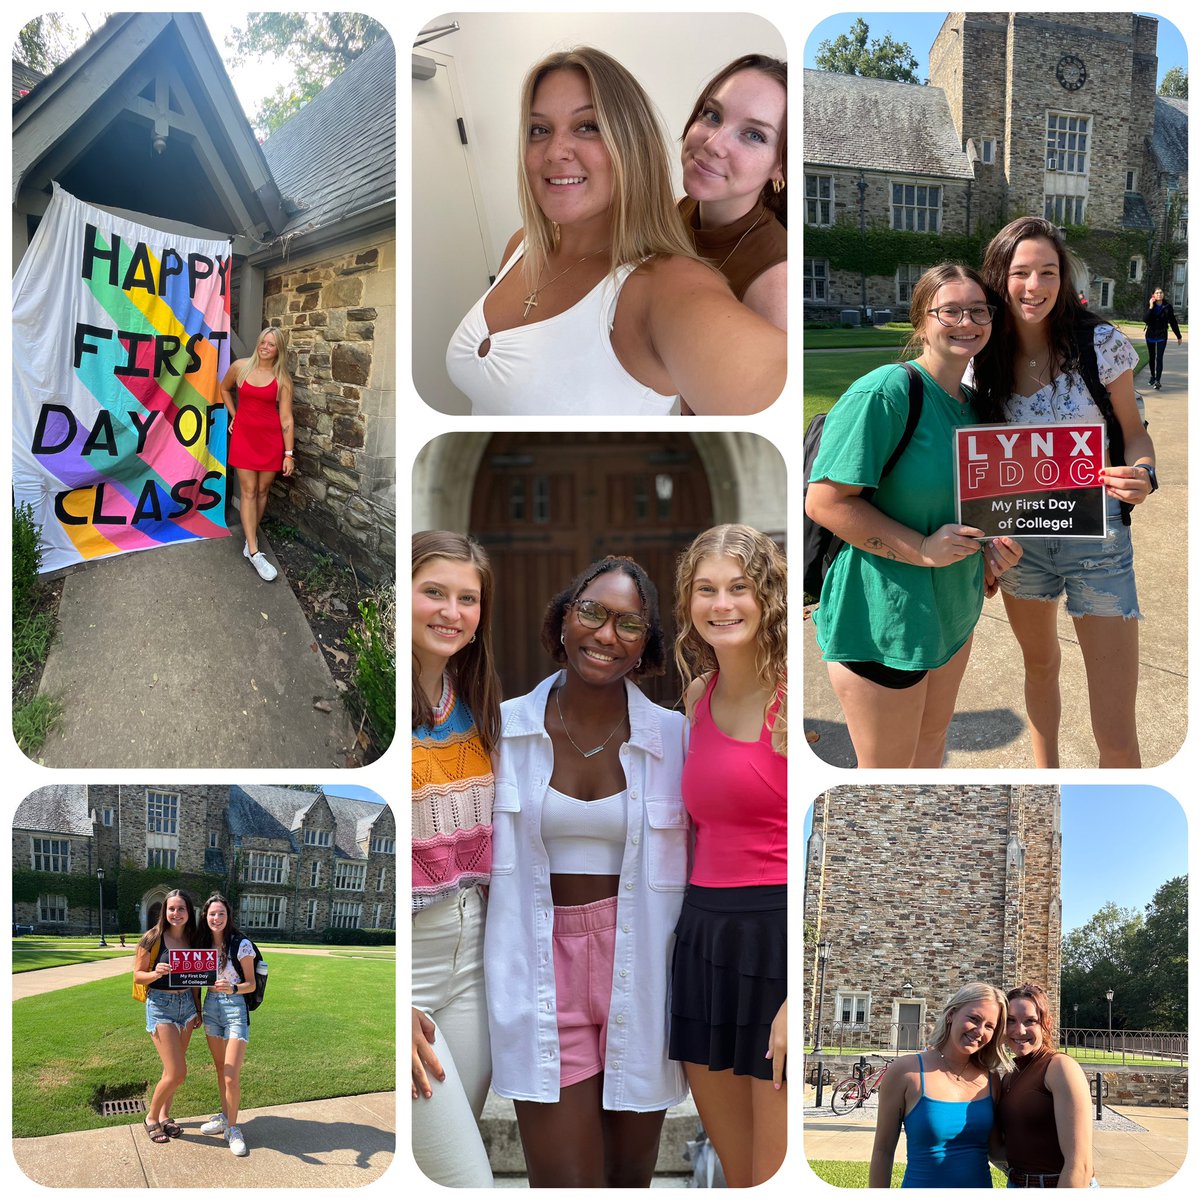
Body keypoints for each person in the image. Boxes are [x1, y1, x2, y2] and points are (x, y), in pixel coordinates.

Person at [484, 556, 689, 1187]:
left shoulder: (677, 739)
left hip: (644, 972)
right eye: (592, 612)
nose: (606, 635)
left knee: (628, 1181)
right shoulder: (503, 729)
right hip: (538, 966)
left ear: (647, 644)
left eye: (629, 623)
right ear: (564, 620)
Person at [445, 46, 785, 416]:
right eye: (539, 129)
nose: (555, 152)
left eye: (588, 126)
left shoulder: (668, 285)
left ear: (632, 143)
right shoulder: (522, 243)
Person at [805, 264, 1023, 767]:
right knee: (887, 777)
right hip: (882, 619)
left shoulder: (976, 408)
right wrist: (923, 549)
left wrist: (992, 554)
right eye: (951, 311)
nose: (967, 322)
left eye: (979, 310)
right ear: (921, 320)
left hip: (952, 612)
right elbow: (825, 502)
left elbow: (970, 509)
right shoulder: (886, 392)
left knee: (931, 746)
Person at [973, 216, 1156, 767]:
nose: (1035, 286)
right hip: (1018, 544)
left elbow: (1134, 434)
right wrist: (981, 545)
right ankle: (1045, 777)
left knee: (1116, 731)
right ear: (999, 277)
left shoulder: (1099, 343)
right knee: (1039, 666)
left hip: (1097, 541)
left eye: (1048, 271)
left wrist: (1143, 473)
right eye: (1021, 272)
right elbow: (972, 463)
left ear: (1063, 276)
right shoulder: (980, 353)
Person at [669, 524, 787, 1186]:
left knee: (774, 1177)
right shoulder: (697, 699)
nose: (722, 605)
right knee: (739, 1177)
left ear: (765, 595)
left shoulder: (792, 699)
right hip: (704, 943)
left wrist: (794, 998)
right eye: (706, 589)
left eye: (739, 588)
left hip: (774, 944)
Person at [411, 532, 502, 1186]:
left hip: (474, 961)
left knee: (441, 1170)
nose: (451, 612)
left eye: (467, 599)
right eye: (433, 592)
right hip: (410, 965)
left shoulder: (476, 707)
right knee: (469, 1180)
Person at [678, 54, 787, 330]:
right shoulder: (673, 212)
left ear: (780, 167)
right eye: (712, 115)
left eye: (754, 135)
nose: (714, 144)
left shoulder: (777, 285)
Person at [869, 982, 1011, 1188]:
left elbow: (996, 1150)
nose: (980, 1031)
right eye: (974, 1019)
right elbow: (883, 1151)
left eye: (990, 1026)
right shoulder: (905, 1071)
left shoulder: (991, 1079)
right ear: (951, 1014)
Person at [997, 982, 1094, 1188]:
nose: (1019, 1030)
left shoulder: (1059, 1067)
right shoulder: (1010, 1075)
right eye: (1011, 1020)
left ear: (1047, 1023)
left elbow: (1080, 1165)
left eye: (1030, 1021)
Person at [220, 326, 295, 582]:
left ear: (278, 350)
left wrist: (289, 454)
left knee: (263, 491)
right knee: (249, 491)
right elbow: (224, 389)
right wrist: (235, 415)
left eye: (271, 344)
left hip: (271, 441)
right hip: (244, 438)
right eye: (263, 341)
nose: (265, 347)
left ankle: (249, 538)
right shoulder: (240, 367)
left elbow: (286, 418)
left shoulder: (282, 379)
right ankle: (254, 552)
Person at [132, 889, 202, 1145]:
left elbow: (196, 979)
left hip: (187, 1006)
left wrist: (198, 1009)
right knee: (177, 1072)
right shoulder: (152, 938)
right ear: (165, 911)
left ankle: (164, 1116)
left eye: (181, 908)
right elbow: (137, 975)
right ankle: (151, 1118)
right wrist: (156, 973)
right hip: (161, 1005)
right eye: (171, 908)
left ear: (188, 912)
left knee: (170, 1068)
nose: (176, 913)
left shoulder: (194, 939)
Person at [194, 893, 255, 1156]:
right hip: (211, 1008)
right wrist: (198, 1009)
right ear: (205, 917)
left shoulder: (240, 944)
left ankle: (232, 1128)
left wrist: (233, 988)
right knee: (220, 1069)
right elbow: (194, 980)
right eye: (212, 914)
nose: (216, 918)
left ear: (228, 916)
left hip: (234, 1008)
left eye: (221, 913)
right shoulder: (202, 943)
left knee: (230, 1074)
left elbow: (251, 984)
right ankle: (225, 1115)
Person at [1144, 286, 1182, 389]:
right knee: (1152, 357)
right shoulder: (1150, 305)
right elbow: (1145, 319)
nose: (1159, 294)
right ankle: (1152, 376)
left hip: (1162, 335)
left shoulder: (1168, 307)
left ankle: (1158, 381)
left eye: (1161, 292)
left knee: (1159, 358)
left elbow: (1173, 322)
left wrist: (1178, 336)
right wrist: (1151, 306)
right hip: (1151, 334)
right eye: (1157, 293)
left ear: (1163, 294)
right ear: (1153, 295)